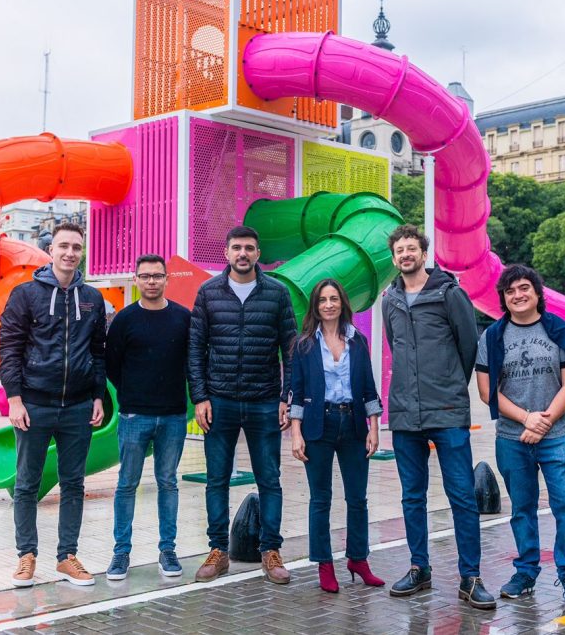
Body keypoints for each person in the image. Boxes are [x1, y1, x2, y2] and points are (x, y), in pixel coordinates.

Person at [380, 224, 496, 610]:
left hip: (447, 411)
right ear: (394, 258)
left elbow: (468, 347)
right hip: (403, 415)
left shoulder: (450, 293)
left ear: (423, 253)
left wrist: (448, 388)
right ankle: (419, 569)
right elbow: (395, 349)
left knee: (462, 496)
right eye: (399, 251)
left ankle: (471, 576)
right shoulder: (389, 301)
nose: (405, 255)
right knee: (412, 497)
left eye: (411, 248)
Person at [474, 264, 565, 612]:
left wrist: (543, 422)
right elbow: (485, 391)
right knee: (522, 509)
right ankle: (526, 572)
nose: (518, 295)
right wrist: (526, 418)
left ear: (538, 293)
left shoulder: (559, 331)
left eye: (524, 288)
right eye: (510, 291)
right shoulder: (492, 337)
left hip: (557, 436)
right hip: (511, 436)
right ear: (503, 299)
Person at [0, 222, 106, 587]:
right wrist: (15, 399)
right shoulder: (25, 295)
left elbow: (98, 352)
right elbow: (9, 349)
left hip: (77, 407)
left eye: (76, 247)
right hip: (34, 404)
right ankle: (26, 556)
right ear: (51, 250)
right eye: (63, 246)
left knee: (73, 484)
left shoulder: (92, 298)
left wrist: (97, 395)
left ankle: (67, 557)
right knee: (27, 484)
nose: (70, 253)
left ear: (82, 252)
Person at [188, 225, 298, 584]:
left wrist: (287, 397)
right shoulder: (208, 293)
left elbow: (290, 348)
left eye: (249, 248)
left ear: (257, 253)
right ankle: (219, 551)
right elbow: (196, 349)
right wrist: (200, 397)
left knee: (270, 479)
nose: (243, 254)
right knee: (216, 479)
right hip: (219, 400)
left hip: (265, 400)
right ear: (227, 252)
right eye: (237, 248)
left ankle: (270, 550)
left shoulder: (277, 293)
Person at [288, 279, 385, 593]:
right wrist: (295, 434)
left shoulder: (358, 341)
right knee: (321, 500)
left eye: (334, 299)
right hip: (319, 425)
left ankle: (358, 559)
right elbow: (297, 393)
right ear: (315, 307)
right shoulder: (303, 345)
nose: (328, 305)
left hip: (354, 424)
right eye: (322, 300)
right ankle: (324, 564)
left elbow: (369, 388)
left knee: (357, 499)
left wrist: (374, 428)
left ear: (343, 303)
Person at [104, 254, 191, 581]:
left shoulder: (184, 318)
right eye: (145, 276)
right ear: (137, 280)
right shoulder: (124, 320)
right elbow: (111, 364)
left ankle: (167, 549)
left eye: (157, 276)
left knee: (168, 482)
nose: (152, 281)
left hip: (172, 416)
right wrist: (130, 395)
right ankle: (120, 552)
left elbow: (192, 361)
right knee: (127, 483)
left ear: (167, 279)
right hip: (133, 416)